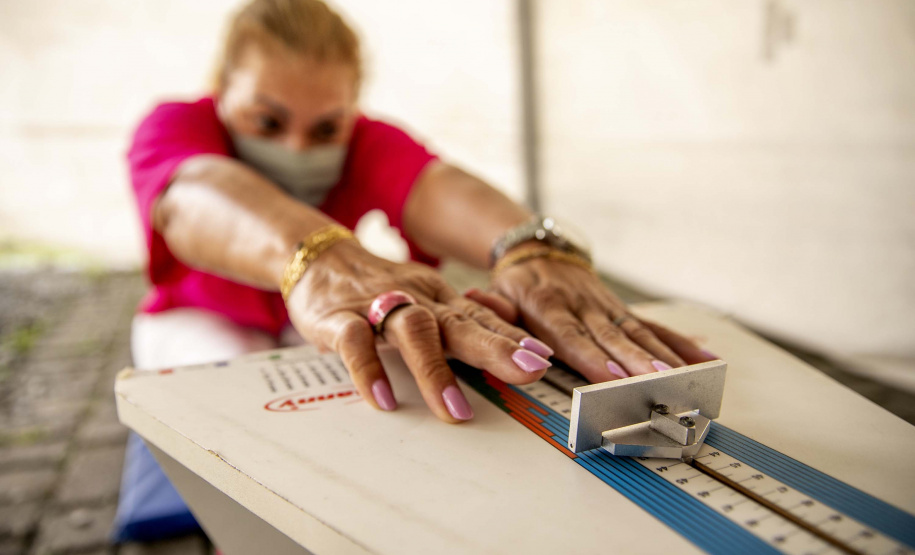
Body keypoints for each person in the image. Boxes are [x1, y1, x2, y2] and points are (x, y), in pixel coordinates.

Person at [127, 0, 714, 422]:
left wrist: (529, 249)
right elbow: (193, 194)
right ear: (221, 89)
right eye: (268, 121)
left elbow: (431, 185)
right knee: (234, 406)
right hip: (193, 317)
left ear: (353, 110)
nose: (298, 148)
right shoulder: (174, 124)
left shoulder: (367, 143)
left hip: (309, 318)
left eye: (327, 126)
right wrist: (320, 259)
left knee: (376, 382)